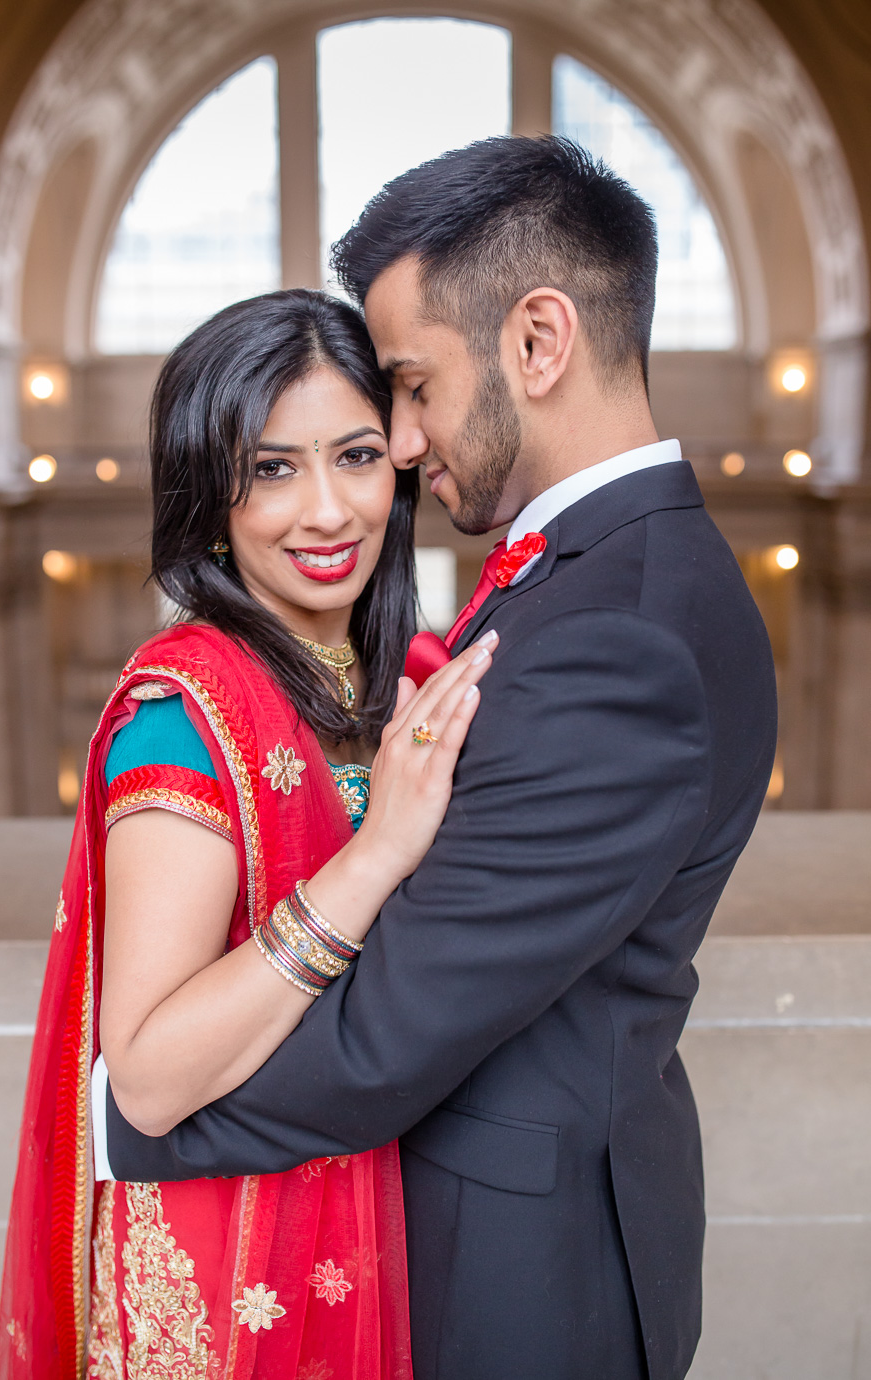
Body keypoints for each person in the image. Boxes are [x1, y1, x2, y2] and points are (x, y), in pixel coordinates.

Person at [105, 136, 778, 1380]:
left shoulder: (615, 634)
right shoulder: (589, 583)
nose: (401, 446)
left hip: (514, 1273)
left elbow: (399, 1022)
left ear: (537, 341)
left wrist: (142, 1119)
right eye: (274, 468)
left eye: (406, 391)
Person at [0, 289, 497, 1379]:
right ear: (207, 495)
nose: (327, 510)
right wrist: (374, 858)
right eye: (272, 469)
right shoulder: (185, 716)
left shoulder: (396, 675)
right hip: (224, 1283)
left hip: (364, 1230)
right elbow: (154, 1078)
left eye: (356, 455)